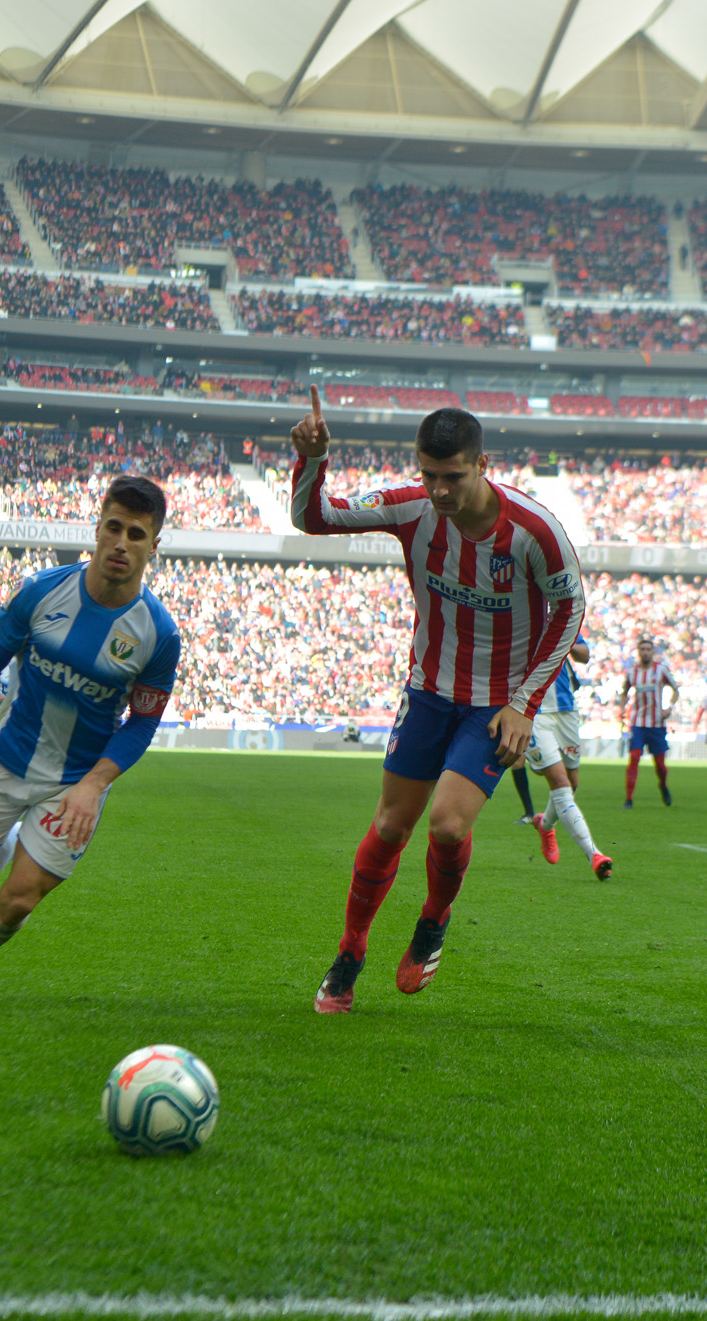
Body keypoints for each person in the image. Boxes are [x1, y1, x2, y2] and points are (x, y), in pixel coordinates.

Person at [290, 392, 584, 1014]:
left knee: (447, 825)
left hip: (495, 707)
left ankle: (433, 919)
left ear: (482, 465)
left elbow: (570, 609)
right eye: (429, 475)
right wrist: (311, 461)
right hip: (427, 692)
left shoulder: (535, 531)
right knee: (391, 826)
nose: (440, 490)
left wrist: (526, 704)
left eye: (452, 477)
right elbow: (313, 518)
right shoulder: (410, 507)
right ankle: (351, 950)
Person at [0, 475, 181, 1013]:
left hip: (73, 785)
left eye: (137, 534)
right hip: (8, 758)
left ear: (153, 546)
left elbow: (141, 725)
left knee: (20, 898)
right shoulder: (41, 591)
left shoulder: (159, 635)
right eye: (113, 528)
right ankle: (6, 836)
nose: (122, 543)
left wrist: (94, 786)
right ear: (96, 530)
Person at [525, 633, 611, 879]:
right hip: (534, 711)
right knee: (561, 785)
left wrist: (564, 635)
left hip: (565, 709)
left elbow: (583, 656)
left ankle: (544, 825)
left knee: (572, 783)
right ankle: (594, 855)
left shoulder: (562, 617)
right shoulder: (517, 616)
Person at [619, 637, 679, 807]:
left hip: (657, 724)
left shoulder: (661, 670)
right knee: (634, 757)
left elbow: (676, 689)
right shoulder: (631, 672)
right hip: (637, 724)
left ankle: (663, 785)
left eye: (648, 649)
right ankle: (629, 798)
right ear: (638, 652)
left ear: (653, 652)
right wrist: (622, 708)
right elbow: (624, 692)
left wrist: (669, 708)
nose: (645, 652)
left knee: (660, 765)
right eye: (642, 649)